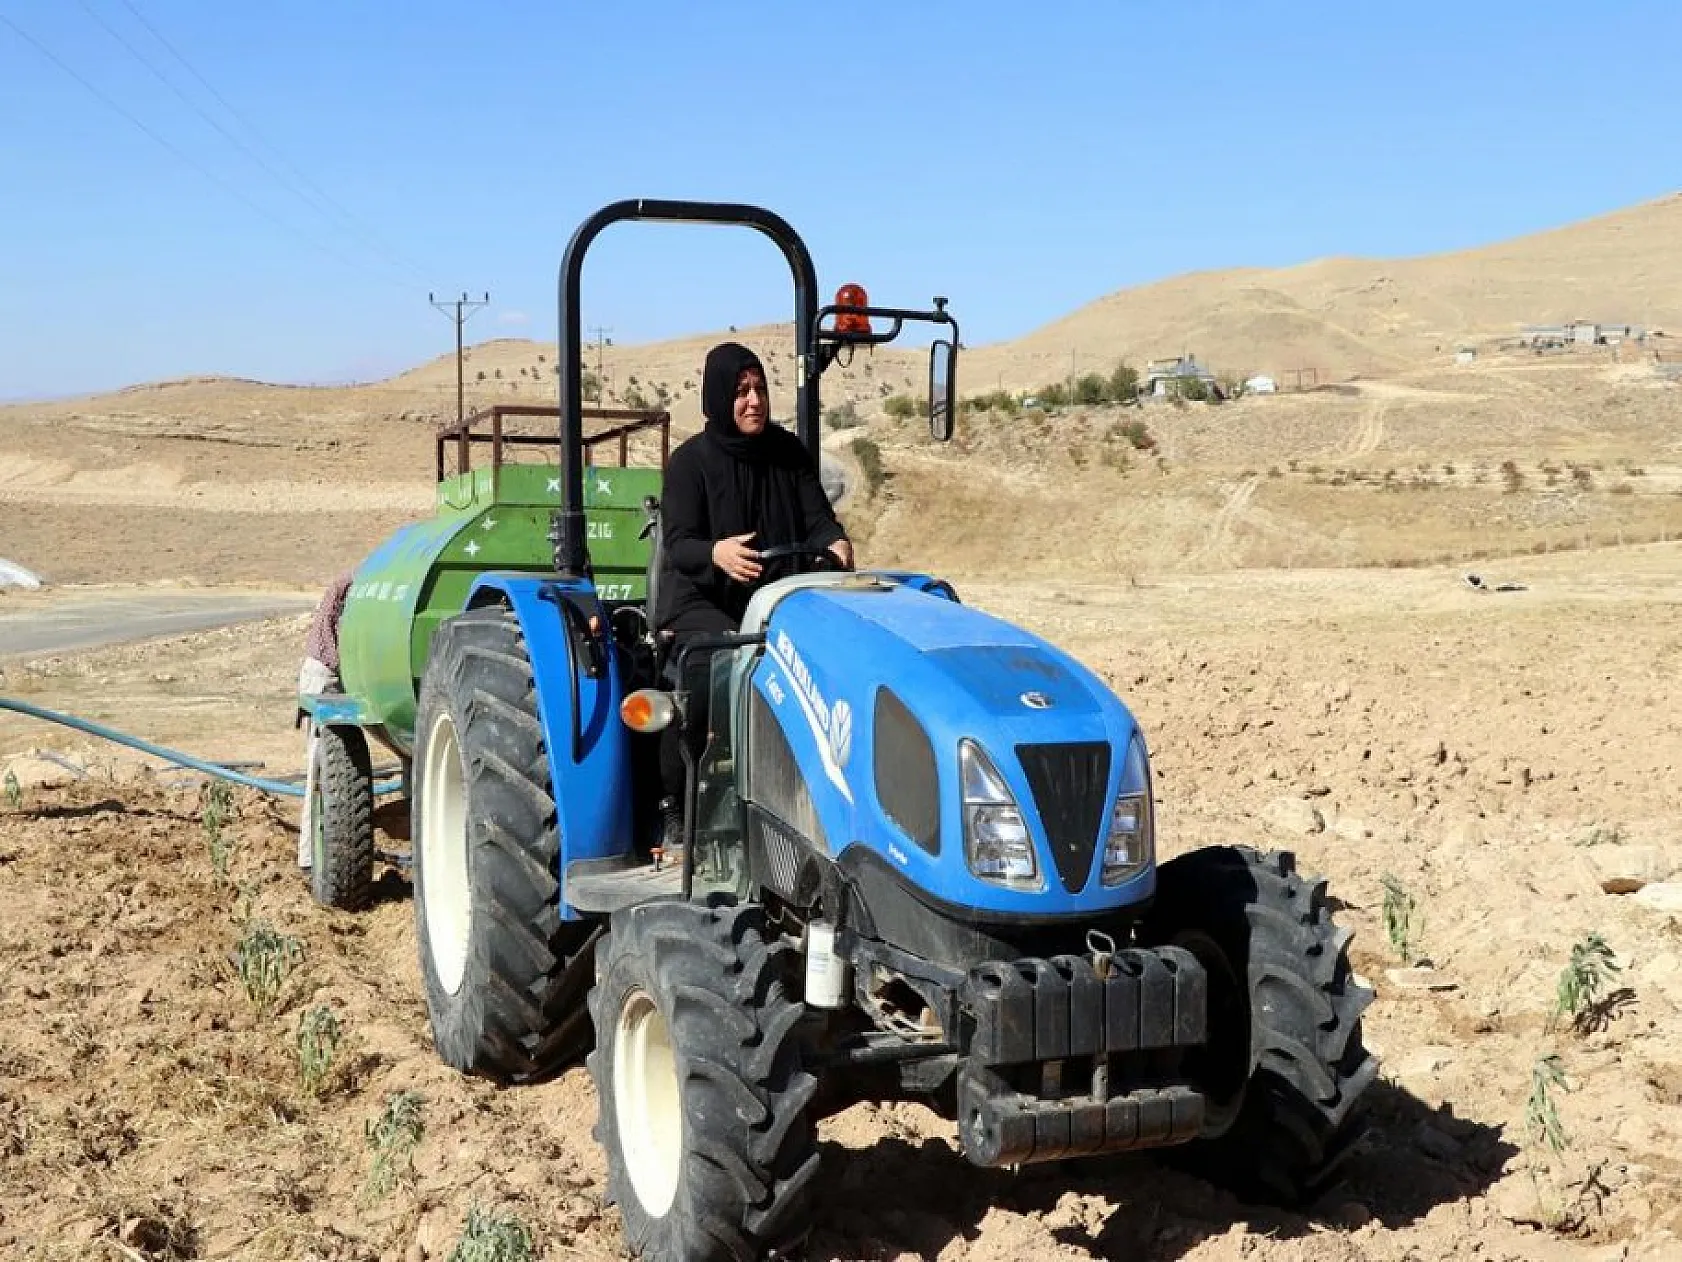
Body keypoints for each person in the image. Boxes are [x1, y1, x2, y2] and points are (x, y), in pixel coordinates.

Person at [651, 341, 853, 840]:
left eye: (759, 388)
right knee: (718, 664)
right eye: (741, 392)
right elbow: (679, 545)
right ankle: (677, 804)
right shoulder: (689, 463)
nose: (753, 401)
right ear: (719, 397)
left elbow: (820, 522)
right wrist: (716, 553)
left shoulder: (788, 455)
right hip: (704, 599)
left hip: (778, 598)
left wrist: (837, 542)